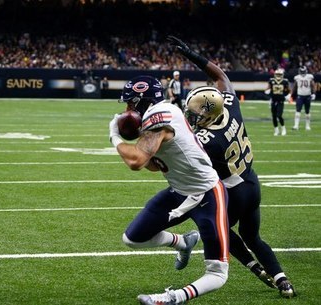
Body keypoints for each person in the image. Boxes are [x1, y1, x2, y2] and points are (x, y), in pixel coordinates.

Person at [167, 35, 296, 298]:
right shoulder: (230, 107)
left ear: (207, 114)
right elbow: (221, 77)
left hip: (233, 193)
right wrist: (195, 55)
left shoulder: (208, 141)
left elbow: (180, 155)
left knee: (216, 226)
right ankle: (283, 281)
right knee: (253, 237)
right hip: (251, 183)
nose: (192, 118)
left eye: (195, 115)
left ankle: (253, 267)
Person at [109, 75, 229, 305]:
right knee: (132, 239)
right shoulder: (158, 116)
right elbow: (153, 166)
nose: (127, 109)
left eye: (130, 103)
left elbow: (135, 162)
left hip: (207, 193)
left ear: (142, 101)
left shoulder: (160, 115)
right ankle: (183, 242)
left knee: (217, 271)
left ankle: (174, 297)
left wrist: (114, 137)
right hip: (178, 191)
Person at [264, 68, 291, 136]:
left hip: (280, 101)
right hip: (273, 100)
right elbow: (268, 88)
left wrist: (288, 95)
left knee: (279, 115)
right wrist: (267, 91)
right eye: (277, 74)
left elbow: (289, 90)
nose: (278, 76)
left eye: (280, 74)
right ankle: (276, 130)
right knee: (273, 116)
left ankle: (283, 128)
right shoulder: (271, 81)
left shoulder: (285, 81)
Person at [292, 66, 316, 131]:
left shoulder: (309, 77)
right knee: (298, 110)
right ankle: (296, 125)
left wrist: (313, 93)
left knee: (307, 111)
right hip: (300, 96)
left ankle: (307, 126)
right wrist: (291, 94)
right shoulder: (297, 77)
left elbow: (313, 85)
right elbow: (294, 87)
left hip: (307, 96)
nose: (302, 73)